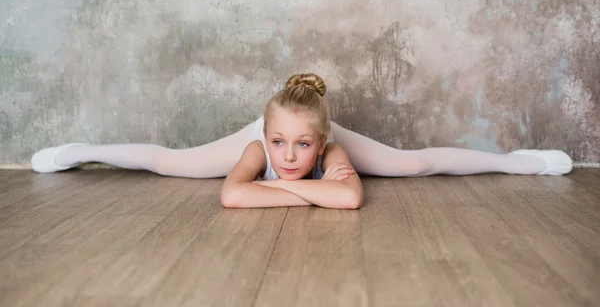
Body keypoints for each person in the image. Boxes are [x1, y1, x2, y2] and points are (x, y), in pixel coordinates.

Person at [31, 73, 573, 209]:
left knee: (413, 165)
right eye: (281, 146)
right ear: (268, 138)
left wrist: (284, 187)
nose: (289, 159)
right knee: (168, 162)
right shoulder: (260, 148)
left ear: (323, 142)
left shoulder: (330, 146)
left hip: (312, 125)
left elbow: (353, 197)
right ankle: (82, 151)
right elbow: (231, 194)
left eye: (302, 148)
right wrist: (301, 187)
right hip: (257, 138)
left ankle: (520, 162)